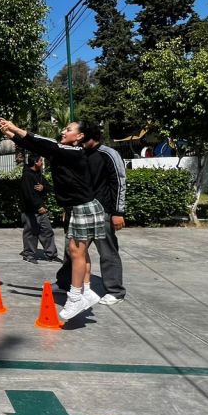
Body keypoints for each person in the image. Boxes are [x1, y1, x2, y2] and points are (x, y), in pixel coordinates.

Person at [0, 119, 104, 320]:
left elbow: (44, 142)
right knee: (81, 253)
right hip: (78, 207)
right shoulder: (63, 153)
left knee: (76, 252)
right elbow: (34, 145)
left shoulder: (73, 152)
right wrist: (10, 135)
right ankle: (87, 291)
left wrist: (15, 128)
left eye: (68, 129)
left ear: (80, 136)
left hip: (84, 208)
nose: (64, 131)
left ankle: (75, 298)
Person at [54, 122, 127, 305]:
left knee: (107, 252)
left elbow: (119, 182)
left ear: (88, 136)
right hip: (79, 211)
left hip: (103, 212)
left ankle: (115, 291)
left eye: (81, 135)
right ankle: (65, 282)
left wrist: (118, 212)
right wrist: (68, 208)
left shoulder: (108, 154)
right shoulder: (78, 153)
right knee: (72, 250)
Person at [20, 153, 60, 264]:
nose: (42, 163)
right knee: (31, 233)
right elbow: (28, 194)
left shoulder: (39, 174)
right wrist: (38, 206)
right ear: (35, 162)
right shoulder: (27, 176)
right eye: (41, 161)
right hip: (30, 211)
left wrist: (43, 187)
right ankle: (29, 254)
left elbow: (48, 187)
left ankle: (51, 254)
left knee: (47, 231)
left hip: (41, 209)